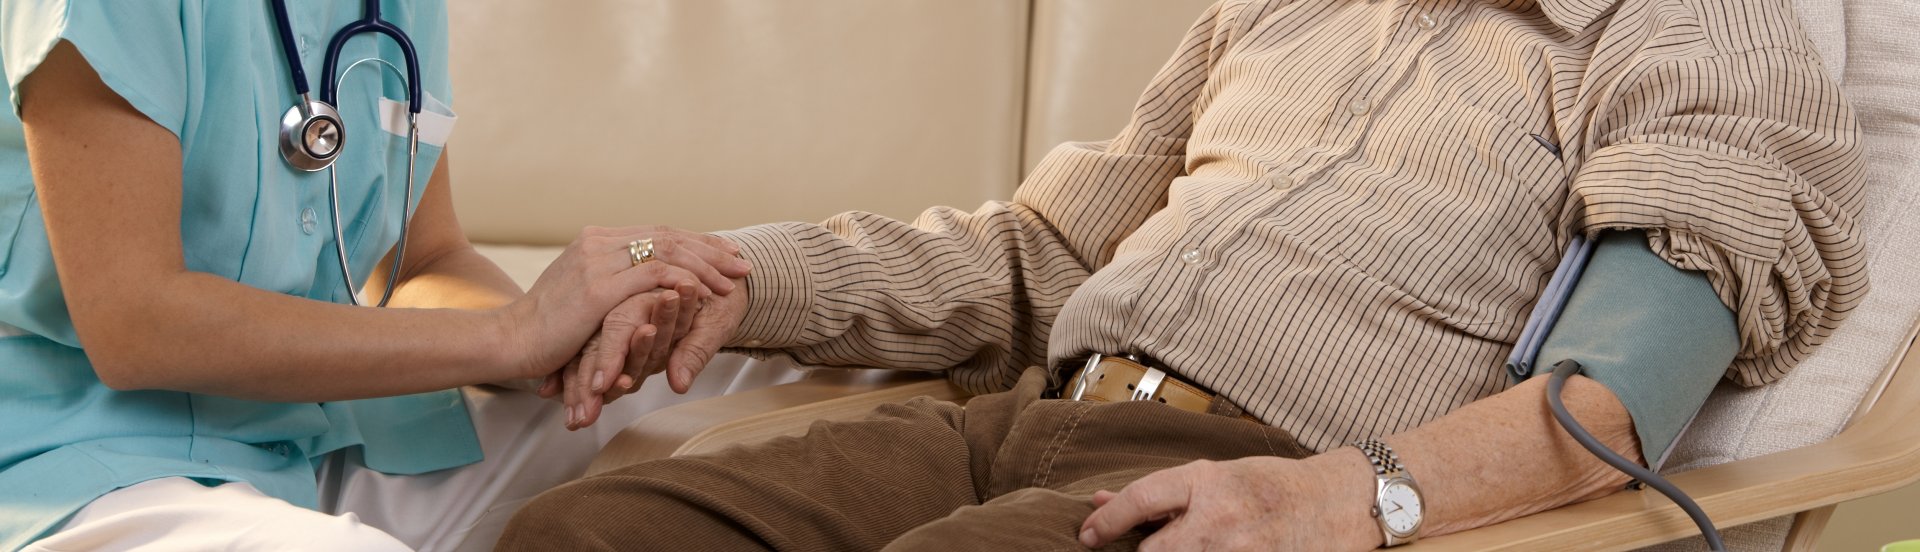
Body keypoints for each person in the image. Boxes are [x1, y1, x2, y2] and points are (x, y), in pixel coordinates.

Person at [500, 0, 1867, 549]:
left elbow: (1610, 401)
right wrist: (750, 277)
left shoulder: (1697, 36)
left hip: (1231, 482)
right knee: (585, 537)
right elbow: (1043, 255)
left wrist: (1352, 496)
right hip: (1000, 428)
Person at [0, 1, 755, 550]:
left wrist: (563, 346)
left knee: (749, 384)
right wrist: (510, 334)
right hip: (88, 465)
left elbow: (423, 258)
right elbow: (136, 325)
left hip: (319, 436)